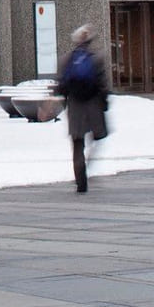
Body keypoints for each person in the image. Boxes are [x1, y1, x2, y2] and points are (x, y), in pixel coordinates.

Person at [53, 24, 109, 193]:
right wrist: (104, 103)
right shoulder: (97, 59)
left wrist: (65, 103)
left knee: (77, 144)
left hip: (75, 106)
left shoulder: (66, 60)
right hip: (93, 105)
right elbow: (102, 84)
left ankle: (80, 180)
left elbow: (61, 86)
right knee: (96, 138)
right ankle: (88, 164)